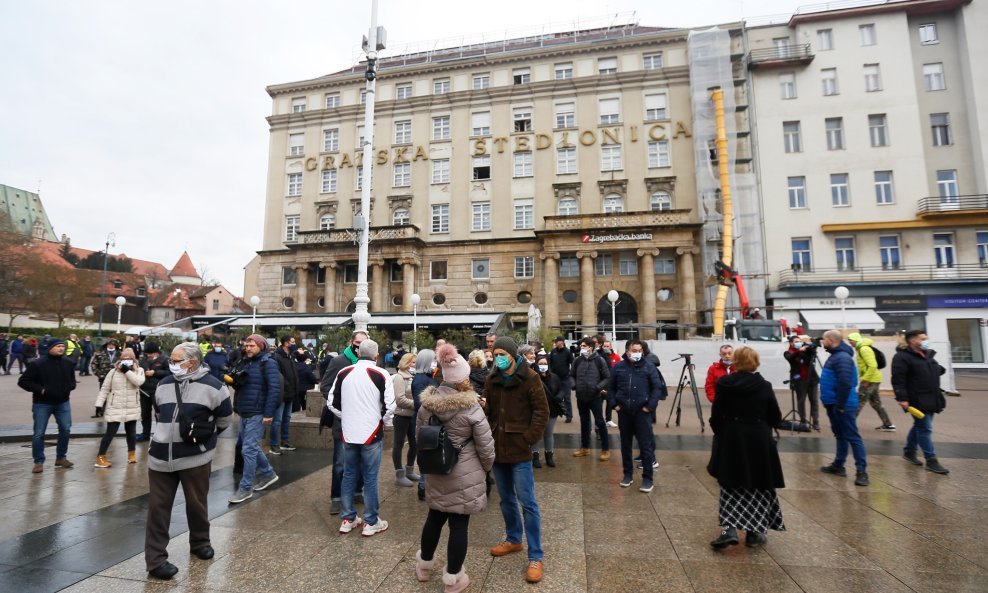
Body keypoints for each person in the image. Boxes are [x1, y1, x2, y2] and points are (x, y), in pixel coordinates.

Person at [145, 342, 233, 580]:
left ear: (192, 362)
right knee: (157, 509)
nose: (171, 364)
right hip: (160, 457)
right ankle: (155, 561)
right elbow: (158, 413)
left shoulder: (215, 387)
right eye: (171, 360)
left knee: (197, 503)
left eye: (176, 361)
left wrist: (204, 442)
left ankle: (200, 542)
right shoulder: (163, 385)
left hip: (195, 457)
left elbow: (225, 419)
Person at [415, 344, 495, 593]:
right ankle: (453, 579)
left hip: (436, 470)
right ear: (464, 378)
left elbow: (420, 437)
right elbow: (486, 446)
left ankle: (424, 567)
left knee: (434, 518)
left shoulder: (427, 405)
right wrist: (485, 469)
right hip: (465, 474)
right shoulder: (471, 408)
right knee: (459, 526)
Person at [483, 336, 549, 584]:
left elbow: (542, 411)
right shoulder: (492, 378)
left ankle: (536, 555)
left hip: (519, 449)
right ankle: (513, 539)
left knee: (528, 502)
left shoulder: (530, 378)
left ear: (512, 355)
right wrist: (483, 407)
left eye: (501, 353)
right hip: (498, 449)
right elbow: (488, 410)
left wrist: (528, 439)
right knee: (506, 499)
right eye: (494, 352)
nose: (497, 357)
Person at [708, 346, 785, 549]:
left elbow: (716, 415)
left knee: (730, 484)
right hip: (759, 439)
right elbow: (776, 418)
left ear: (736, 362)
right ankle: (754, 533)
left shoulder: (725, 383)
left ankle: (729, 530)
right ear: (756, 362)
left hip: (733, 437)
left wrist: (723, 433)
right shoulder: (764, 385)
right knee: (758, 484)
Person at [328, 339, 395, 537]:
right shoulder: (381, 373)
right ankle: (370, 521)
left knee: (348, 474)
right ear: (376, 355)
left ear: (358, 353)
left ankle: (348, 518)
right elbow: (391, 406)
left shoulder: (344, 372)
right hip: (371, 432)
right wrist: (383, 421)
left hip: (349, 432)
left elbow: (331, 402)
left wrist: (346, 417)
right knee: (370, 477)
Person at [228, 334, 281, 504]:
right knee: (249, 446)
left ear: (261, 346)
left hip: (258, 412)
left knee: (248, 449)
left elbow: (274, 389)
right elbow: (244, 386)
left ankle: (245, 488)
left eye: (252, 345)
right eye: (246, 345)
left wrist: (268, 413)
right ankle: (268, 473)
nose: (248, 348)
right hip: (245, 410)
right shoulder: (246, 361)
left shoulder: (268, 363)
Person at [319, 331, 368, 514]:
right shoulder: (339, 361)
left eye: (363, 344)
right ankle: (336, 497)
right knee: (340, 462)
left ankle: (356, 491)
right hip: (343, 420)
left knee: (362, 460)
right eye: (357, 343)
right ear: (351, 342)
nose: (359, 347)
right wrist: (343, 405)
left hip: (363, 421)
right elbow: (325, 387)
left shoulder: (369, 362)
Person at [609, 340, 665, 492]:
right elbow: (611, 387)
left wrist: (649, 407)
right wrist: (615, 404)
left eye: (639, 350)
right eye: (634, 350)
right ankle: (628, 475)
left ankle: (648, 478)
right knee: (625, 445)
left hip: (642, 412)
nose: (637, 353)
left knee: (645, 446)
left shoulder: (649, 367)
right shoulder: (619, 367)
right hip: (624, 412)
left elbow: (656, 388)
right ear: (627, 351)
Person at [892, 330, 949, 474]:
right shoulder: (902, 357)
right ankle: (931, 460)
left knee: (920, 425)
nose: (926, 340)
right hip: (916, 398)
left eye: (926, 338)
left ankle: (909, 451)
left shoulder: (928, 354)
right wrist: (902, 398)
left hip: (932, 397)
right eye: (923, 338)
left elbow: (934, 369)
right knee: (925, 428)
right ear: (912, 341)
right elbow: (898, 379)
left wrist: (937, 370)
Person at [819, 330, 869, 486]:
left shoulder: (842, 358)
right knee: (840, 435)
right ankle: (838, 465)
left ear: (831, 340)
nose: (822, 342)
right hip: (834, 403)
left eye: (824, 339)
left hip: (842, 405)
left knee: (853, 437)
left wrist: (840, 405)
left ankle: (862, 471)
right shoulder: (836, 356)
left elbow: (845, 383)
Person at [19, 339, 77, 473]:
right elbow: (23, 381)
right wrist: (41, 390)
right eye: (58, 346)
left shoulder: (68, 363)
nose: (61, 348)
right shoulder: (38, 364)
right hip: (42, 404)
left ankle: (61, 458)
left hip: (63, 402)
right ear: (50, 348)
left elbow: (72, 380)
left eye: (63, 346)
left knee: (65, 429)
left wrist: (70, 387)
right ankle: (38, 461)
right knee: (39, 433)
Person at [94, 347, 145, 467]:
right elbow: (105, 388)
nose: (126, 360)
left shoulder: (139, 370)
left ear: (133, 359)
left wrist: (127, 371)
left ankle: (131, 455)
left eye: (129, 358)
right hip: (115, 406)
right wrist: (99, 404)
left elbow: (138, 382)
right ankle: (100, 458)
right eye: (123, 358)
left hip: (132, 406)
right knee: (110, 433)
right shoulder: (113, 372)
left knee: (131, 432)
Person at [570, 337, 611, 461]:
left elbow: (607, 377)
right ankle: (585, 447)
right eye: (581, 346)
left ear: (591, 348)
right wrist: (574, 385)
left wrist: (598, 388)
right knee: (584, 422)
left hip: (595, 396)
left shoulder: (600, 360)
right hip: (581, 396)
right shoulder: (577, 360)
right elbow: (571, 375)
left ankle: (605, 449)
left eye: (583, 346)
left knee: (600, 422)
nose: (581, 348)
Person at [847, 332, 895, 431]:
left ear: (856, 340)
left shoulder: (864, 349)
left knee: (859, 401)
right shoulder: (862, 348)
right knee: (876, 403)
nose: (849, 342)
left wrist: (866, 379)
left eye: (851, 340)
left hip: (870, 380)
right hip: (874, 379)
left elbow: (872, 365)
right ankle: (888, 425)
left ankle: (848, 424)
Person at [412, 349, 439, 500]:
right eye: (433, 359)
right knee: (426, 457)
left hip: (427, 423)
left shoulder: (426, 376)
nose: (435, 362)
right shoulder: (421, 379)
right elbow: (418, 404)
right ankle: (423, 488)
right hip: (424, 424)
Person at [532, 354, 565, 468]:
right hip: (536, 410)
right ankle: (535, 456)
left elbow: (561, 390)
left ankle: (549, 456)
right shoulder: (533, 377)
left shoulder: (554, 377)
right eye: (540, 364)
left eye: (544, 364)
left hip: (552, 410)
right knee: (536, 434)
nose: (542, 366)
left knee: (548, 433)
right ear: (536, 364)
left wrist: (559, 397)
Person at [391, 352, 419, 487]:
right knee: (398, 444)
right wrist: (417, 404)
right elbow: (400, 399)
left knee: (414, 444)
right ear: (406, 363)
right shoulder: (399, 377)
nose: (415, 365)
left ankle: (409, 470)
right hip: (401, 416)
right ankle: (399, 474)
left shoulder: (414, 377)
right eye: (413, 362)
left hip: (412, 415)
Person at [270, 335, 300, 454]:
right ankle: (274, 444)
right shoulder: (277, 357)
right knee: (277, 420)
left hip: (290, 393)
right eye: (292, 342)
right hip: (281, 394)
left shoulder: (290, 356)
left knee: (286, 418)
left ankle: (285, 441)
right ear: (286, 343)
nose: (294, 344)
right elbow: (278, 376)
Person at [783, 335, 821, 430]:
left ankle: (815, 421)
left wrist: (811, 348)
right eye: (796, 341)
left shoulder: (805, 351)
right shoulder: (788, 352)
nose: (798, 343)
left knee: (814, 401)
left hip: (812, 378)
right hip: (799, 380)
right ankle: (803, 421)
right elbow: (791, 358)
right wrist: (800, 350)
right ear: (791, 343)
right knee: (801, 400)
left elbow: (810, 359)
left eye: (799, 341)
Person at [137, 342, 170, 442]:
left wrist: (155, 373)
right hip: (144, 390)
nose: (149, 355)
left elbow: (169, 373)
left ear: (156, 352)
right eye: (147, 353)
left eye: (150, 353)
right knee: (145, 414)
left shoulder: (165, 359)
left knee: (159, 413)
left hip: (158, 391)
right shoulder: (143, 360)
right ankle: (145, 434)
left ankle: (161, 435)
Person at [548, 337, 574, 423]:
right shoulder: (553, 352)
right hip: (555, 379)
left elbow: (572, 363)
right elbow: (550, 363)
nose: (556, 343)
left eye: (557, 341)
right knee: (553, 397)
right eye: (555, 342)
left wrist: (570, 374)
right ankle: (553, 413)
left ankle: (569, 416)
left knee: (567, 398)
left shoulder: (567, 352)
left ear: (562, 342)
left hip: (565, 379)